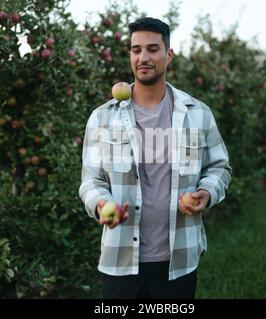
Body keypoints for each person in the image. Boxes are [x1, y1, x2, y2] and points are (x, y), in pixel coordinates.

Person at [79, 17, 232, 299]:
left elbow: (219, 167)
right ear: (130, 55)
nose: (143, 57)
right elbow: (91, 180)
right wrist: (101, 204)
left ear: (168, 54)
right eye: (136, 50)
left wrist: (206, 193)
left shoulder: (197, 113)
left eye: (152, 49)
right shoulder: (103, 117)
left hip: (179, 258)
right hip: (120, 259)